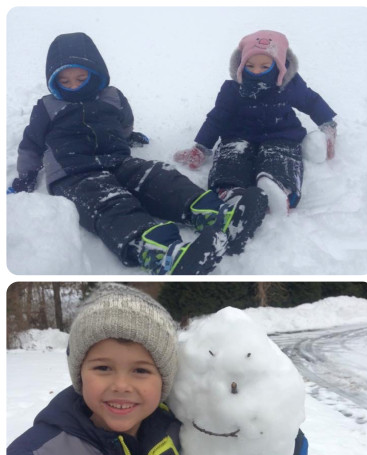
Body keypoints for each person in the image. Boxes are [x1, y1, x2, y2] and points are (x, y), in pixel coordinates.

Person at [8, 32, 267, 275]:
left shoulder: (111, 96)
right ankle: (157, 251)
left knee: (157, 176)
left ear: (96, 73)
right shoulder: (47, 106)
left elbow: (124, 121)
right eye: (64, 81)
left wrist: (127, 136)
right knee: (110, 202)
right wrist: (26, 176)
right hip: (74, 174)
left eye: (80, 78)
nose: (73, 86)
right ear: (53, 80)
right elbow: (31, 145)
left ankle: (213, 213)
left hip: (119, 160)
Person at [6, 284, 182, 455]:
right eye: (103, 368)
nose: (121, 386)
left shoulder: (179, 437)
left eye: (140, 371)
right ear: (79, 374)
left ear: (164, 380)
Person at [174, 30, 337, 215]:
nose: (256, 71)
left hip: (281, 133)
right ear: (240, 64)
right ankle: (229, 191)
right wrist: (201, 147)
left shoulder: (288, 85)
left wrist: (328, 124)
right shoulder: (233, 89)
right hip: (239, 135)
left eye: (264, 66)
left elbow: (311, 101)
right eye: (250, 65)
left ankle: (278, 188)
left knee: (280, 156)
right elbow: (217, 118)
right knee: (232, 156)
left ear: (279, 65)